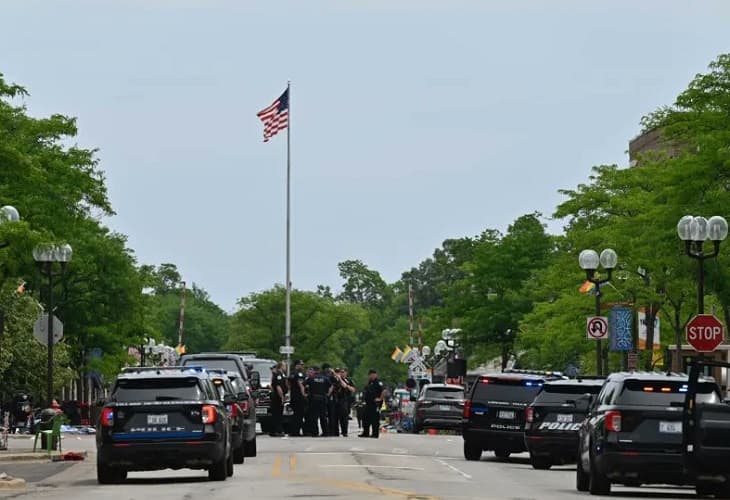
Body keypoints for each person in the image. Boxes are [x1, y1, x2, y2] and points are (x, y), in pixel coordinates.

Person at [304, 366, 331, 437]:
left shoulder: (311, 378)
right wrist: (327, 393)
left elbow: (305, 385)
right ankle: (325, 432)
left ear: (314, 371)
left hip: (313, 398)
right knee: (323, 416)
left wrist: (306, 394)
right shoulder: (325, 378)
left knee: (314, 416)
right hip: (322, 398)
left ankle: (315, 432)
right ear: (319, 370)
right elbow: (330, 385)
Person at [359, 369, 384, 438]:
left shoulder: (378, 382)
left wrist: (380, 399)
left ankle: (375, 434)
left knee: (375, 419)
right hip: (368, 403)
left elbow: (384, 391)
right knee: (365, 418)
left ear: (375, 375)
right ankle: (365, 432)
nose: (372, 376)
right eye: (370, 375)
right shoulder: (369, 383)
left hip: (375, 404)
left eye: (373, 374)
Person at [288, 359, 307, 437]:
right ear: (297, 365)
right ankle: (296, 432)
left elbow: (288, 383)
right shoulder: (299, 374)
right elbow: (301, 384)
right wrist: (304, 394)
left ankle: (294, 431)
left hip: (293, 396)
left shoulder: (292, 373)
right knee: (299, 415)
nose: (303, 366)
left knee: (295, 415)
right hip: (299, 397)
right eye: (301, 365)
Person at [334, 368, 356, 437]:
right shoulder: (335, 380)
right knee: (334, 417)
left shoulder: (349, 380)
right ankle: (335, 432)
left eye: (343, 372)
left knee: (344, 417)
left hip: (344, 399)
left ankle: (344, 432)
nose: (342, 373)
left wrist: (346, 385)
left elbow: (353, 389)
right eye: (340, 372)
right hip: (336, 399)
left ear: (346, 373)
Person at [269, 362, 287, 437]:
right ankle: (277, 430)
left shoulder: (279, 374)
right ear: (281, 367)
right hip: (277, 397)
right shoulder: (279, 375)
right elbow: (278, 387)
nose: (285, 367)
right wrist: (282, 396)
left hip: (276, 396)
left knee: (277, 414)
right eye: (284, 366)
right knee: (277, 414)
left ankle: (274, 430)